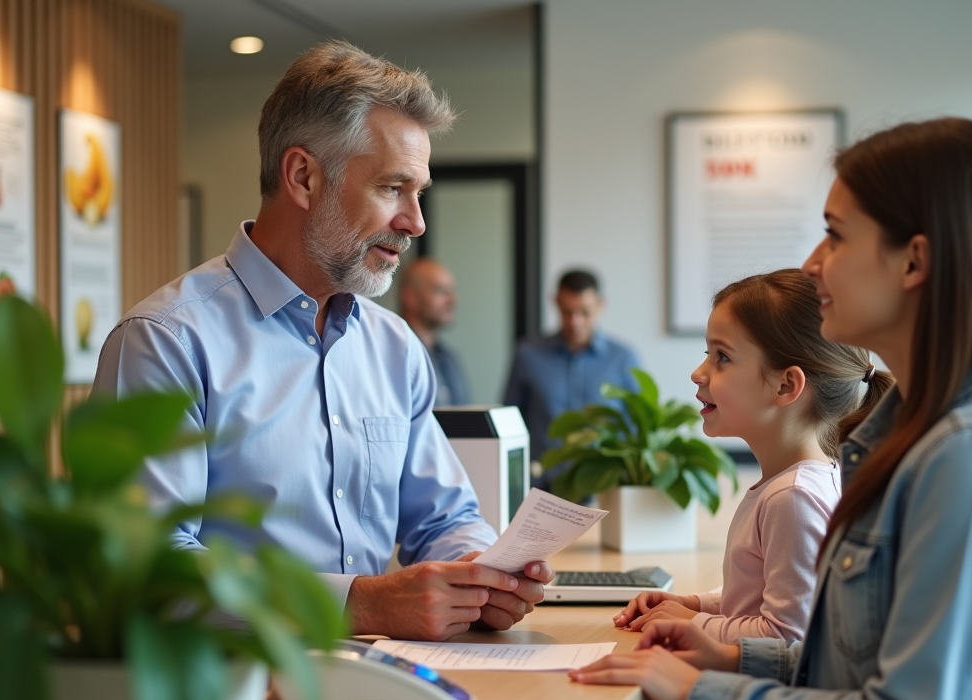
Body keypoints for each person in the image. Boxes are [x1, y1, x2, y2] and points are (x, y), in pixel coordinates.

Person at [571, 118, 972, 700]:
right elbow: (874, 668)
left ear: (913, 262)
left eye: (836, 233)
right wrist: (738, 654)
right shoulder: (910, 442)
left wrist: (698, 694)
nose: (811, 264)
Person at [93, 41, 552, 642]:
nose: (416, 222)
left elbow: (445, 517)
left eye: (420, 193)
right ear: (304, 177)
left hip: (376, 690)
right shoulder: (164, 343)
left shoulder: (395, 348)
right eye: (393, 188)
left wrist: (480, 575)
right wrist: (358, 605)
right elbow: (146, 568)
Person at [612, 268, 890, 700]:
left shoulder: (793, 498)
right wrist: (692, 601)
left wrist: (696, 622)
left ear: (787, 385)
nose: (698, 373)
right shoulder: (793, 484)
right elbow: (765, 590)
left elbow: (789, 637)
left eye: (722, 357)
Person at [503, 268, 641, 480]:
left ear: (600, 305)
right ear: (555, 302)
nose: (575, 322)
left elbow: (637, 427)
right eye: (567, 312)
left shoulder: (623, 359)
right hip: (542, 485)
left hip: (605, 486)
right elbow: (509, 422)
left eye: (584, 312)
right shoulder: (528, 355)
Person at [398, 256, 470, 406]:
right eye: (441, 291)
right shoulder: (394, 355)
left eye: (452, 291)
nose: (453, 299)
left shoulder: (448, 358)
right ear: (410, 297)